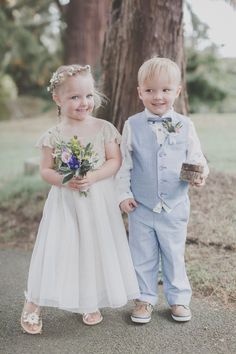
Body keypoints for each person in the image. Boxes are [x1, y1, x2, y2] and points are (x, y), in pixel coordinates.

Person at [20, 64, 140, 334]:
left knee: (93, 247)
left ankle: (89, 300)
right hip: (65, 202)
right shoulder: (54, 135)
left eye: (88, 95)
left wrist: (95, 176)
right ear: (57, 99)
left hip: (98, 201)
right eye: (74, 97)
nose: (83, 102)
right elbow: (46, 170)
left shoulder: (104, 128)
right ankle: (33, 303)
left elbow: (114, 161)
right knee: (58, 247)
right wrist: (66, 179)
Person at [116, 57, 209, 324]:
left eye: (165, 90)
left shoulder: (185, 125)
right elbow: (125, 165)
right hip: (141, 206)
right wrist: (123, 195)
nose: (158, 97)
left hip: (175, 204)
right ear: (140, 93)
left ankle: (178, 299)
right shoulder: (132, 125)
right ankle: (144, 297)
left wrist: (200, 175)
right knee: (142, 254)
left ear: (178, 91)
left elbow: (198, 158)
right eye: (150, 90)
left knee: (173, 253)